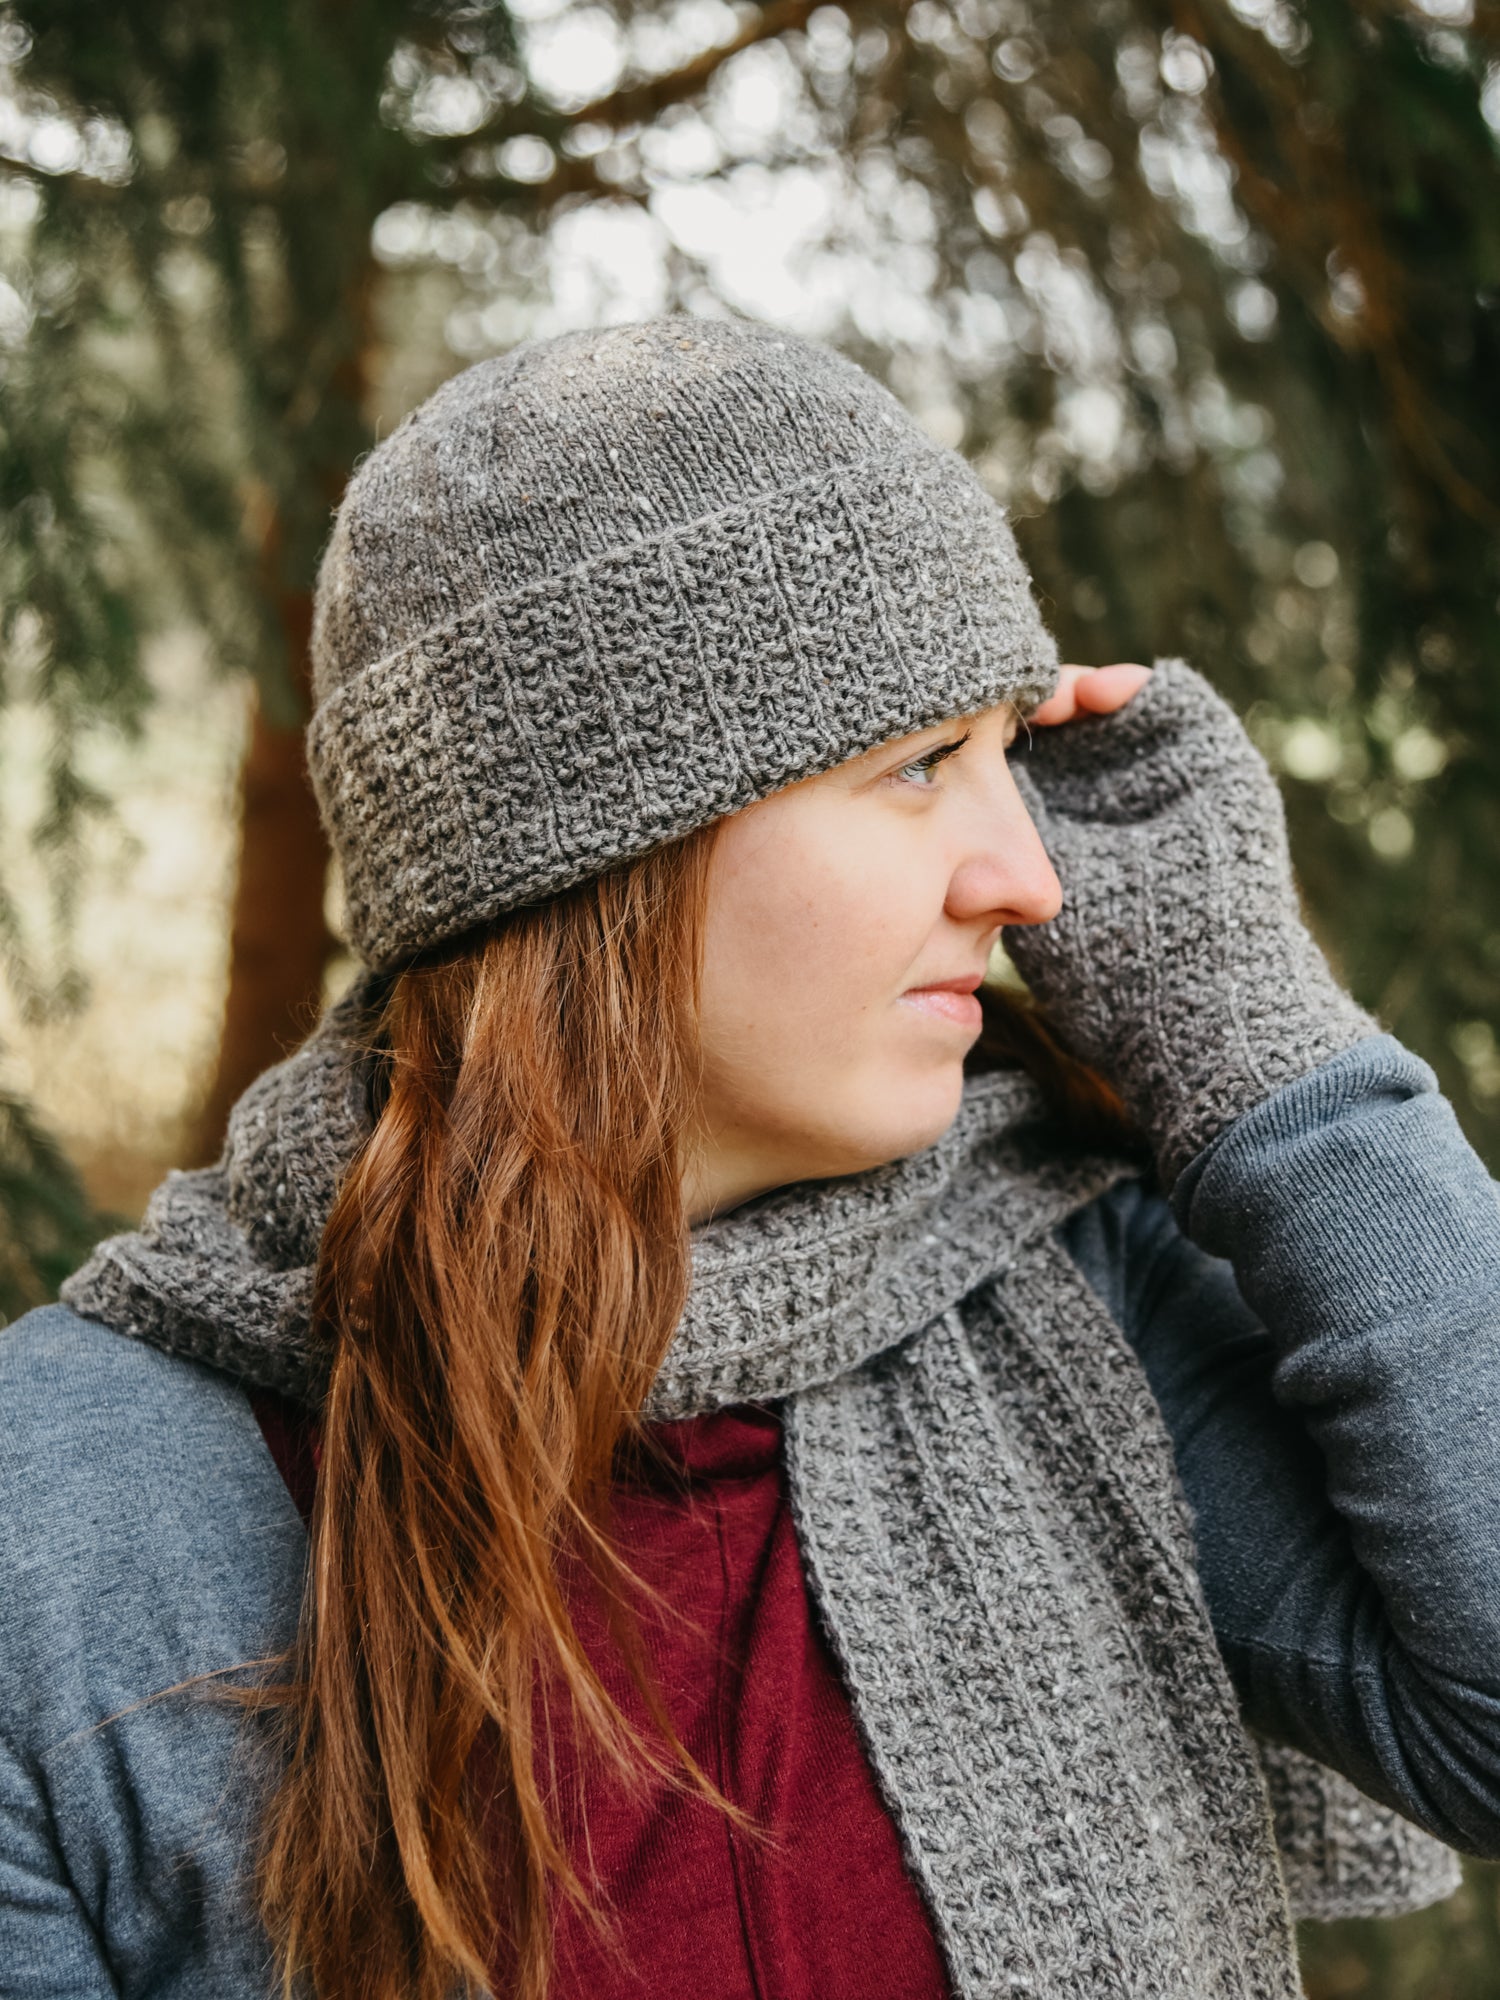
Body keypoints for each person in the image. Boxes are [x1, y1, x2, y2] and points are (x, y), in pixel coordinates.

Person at [3, 315, 1499, 2000]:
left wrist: (1255, 1038)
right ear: (592, 851)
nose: (1028, 874)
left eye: (1011, 750)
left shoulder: (1071, 1302)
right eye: (920, 764)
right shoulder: (63, 1526)